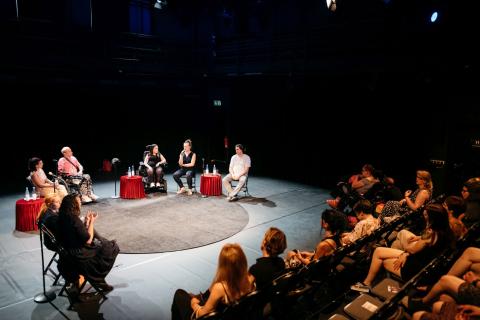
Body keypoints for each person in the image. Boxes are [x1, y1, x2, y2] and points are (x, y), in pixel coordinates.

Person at [351, 203, 454, 293]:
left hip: (416, 268)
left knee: (380, 254)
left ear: (433, 218)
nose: (424, 215)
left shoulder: (430, 233)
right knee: (395, 243)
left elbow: (412, 250)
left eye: (426, 214)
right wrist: (417, 241)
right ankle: (371, 283)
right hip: (426, 263)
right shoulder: (447, 230)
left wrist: (405, 254)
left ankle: (366, 284)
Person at [56, 193, 119, 296]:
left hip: (67, 252)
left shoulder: (61, 217)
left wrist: (86, 222)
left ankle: (99, 281)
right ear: (73, 205)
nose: (80, 202)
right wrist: (91, 222)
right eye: (78, 201)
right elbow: (88, 240)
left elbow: (78, 234)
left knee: (102, 243)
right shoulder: (74, 219)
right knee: (111, 248)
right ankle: (99, 280)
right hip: (78, 255)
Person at [171, 243, 255, 320]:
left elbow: (202, 314)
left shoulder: (220, 287)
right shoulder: (250, 278)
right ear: (243, 260)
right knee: (189, 296)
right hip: (238, 315)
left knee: (179, 294)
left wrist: (194, 304)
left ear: (223, 264)